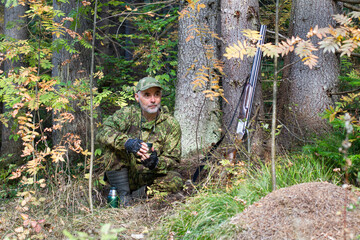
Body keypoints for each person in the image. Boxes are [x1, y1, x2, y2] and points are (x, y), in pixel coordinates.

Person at [96, 77, 183, 205]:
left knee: (175, 180)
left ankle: (137, 197)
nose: (153, 100)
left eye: (156, 94)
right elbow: (102, 132)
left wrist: (156, 162)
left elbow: (174, 160)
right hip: (126, 175)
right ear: (137, 97)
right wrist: (127, 143)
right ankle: (123, 196)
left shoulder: (170, 124)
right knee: (112, 146)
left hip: (150, 178)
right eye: (147, 95)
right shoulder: (127, 114)